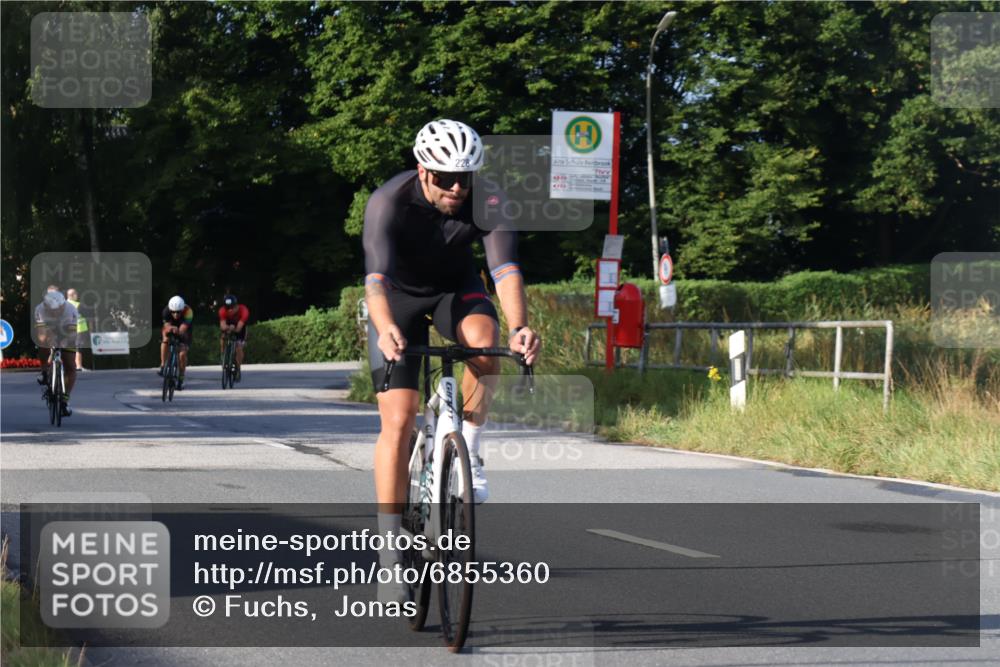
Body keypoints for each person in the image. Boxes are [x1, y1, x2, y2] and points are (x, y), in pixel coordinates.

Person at [363, 119, 540, 597]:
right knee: (398, 422)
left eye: (466, 177)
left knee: (485, 343)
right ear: (423, 171)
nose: (458, 188)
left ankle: (470, 450)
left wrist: (520, 327)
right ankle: (388, 549)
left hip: (454, 291)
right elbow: (375, 280)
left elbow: (504, 269)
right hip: (397, 298)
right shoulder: (389, 201)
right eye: (445, 178)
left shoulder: (490, 198)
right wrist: (384, 330)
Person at [34, 288, 78, 417]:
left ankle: (65, 399)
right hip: (48, 328)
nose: (54, 313)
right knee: (42, 345)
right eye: (51, 311)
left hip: (66, 329)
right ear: (46, 307)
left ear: (62, 305)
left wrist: (64, 342)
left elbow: (72, 333)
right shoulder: (40, 309)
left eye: (57, 310)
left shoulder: (70, 310)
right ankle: (44, 371)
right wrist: (48, 342)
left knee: (70, 366)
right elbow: (41, 335)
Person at [160, 295, 193, 389]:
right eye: (173, 312)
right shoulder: (166, 311)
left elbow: (183, 329)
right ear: (170, 310)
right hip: (171, 326)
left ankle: (181, 377)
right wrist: (170, 329)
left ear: (182, 310)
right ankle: (163, 365)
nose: (175, 314)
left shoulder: (188, 311)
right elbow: (166, 327)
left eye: (178, 312)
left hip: (184, 329)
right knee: (165, 339)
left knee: (182, 354)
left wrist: (177, 330)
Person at [217, 294, 249, 381]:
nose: (230, 310)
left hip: (240, 328)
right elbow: (222, 326)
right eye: (228, 308)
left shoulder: (243, 310)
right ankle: (223, 355)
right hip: (228, 326)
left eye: (232, 307)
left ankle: (238, 368)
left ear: (237, 306)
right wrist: (227, 328)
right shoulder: (222, 310)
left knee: (239, 348)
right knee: (223, 337)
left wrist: (233, 328)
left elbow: (239, 329)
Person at [66, 288, 89, 371]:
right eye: (76, 294)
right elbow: (87, 315)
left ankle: (70, 365)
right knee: (78, 347)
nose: (77, 296)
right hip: (79, 328)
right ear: (72, 295)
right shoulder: (77, 305)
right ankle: (78, 365)